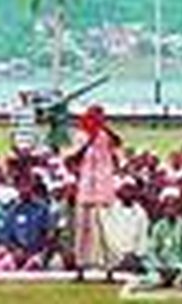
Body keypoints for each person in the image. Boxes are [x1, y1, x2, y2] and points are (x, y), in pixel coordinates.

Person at [71, 105, 120, 281]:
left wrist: (103, 128)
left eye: (100, 116)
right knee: (83, 230)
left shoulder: (106, 135)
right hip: (85, 188)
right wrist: (88, 140)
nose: (97, 119)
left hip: (103, 189)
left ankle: (109, 270)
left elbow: (118, 143)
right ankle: (80, 269)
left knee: (106, 230)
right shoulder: (80, 135)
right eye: (94, 116)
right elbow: (73, 158)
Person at [0, 177, 51, 270]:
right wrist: (15, 250)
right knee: (3, 265)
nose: (24, 189)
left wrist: (35, 252)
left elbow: (47, 235)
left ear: (31, 187)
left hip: (35, 252)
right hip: (15, 252)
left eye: (26, 186)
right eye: (21, 186)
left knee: (32, 266)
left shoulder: (42, 209)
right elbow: (6, 236)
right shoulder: (13, 210)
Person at [141, 188, 182, 290]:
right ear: (163, 208)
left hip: (180, 268)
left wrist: (179, 268)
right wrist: (161, 268)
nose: (171, 209)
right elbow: (151, 251)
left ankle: (179, 282)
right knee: (152, 277)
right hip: (162, 268)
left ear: (179, 207)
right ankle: (163, 281)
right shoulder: (158, 227)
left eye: (174, 205)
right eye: (168, 206)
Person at [104, 177, 150, 272]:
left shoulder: (141, 213)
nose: (128, 193)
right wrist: (119, 255)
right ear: (120, 191)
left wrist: (135, 255)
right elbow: (107, 235)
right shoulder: (110, 211)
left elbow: (143, 238)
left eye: (131, 189)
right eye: (125, 189)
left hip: (133, 257)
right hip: (113, 257)